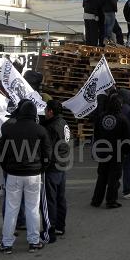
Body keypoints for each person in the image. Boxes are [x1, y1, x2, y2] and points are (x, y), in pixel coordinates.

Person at [0, 101, 52, 254]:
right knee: (33, 209)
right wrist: (41, 168)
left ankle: (7, 243)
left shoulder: (10, 129)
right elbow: (47, 154)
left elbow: (1, 153)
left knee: (11, 209)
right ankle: (34, 242)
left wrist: (7, 168)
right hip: (34, 174)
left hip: (14, 174)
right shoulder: (40, 130)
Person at [91, 94, 130, 208]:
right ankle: (111, 200)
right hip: (117, 152)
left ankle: (96, 200)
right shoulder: (122, 119)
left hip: (103, 150)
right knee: (114, 177)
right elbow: (127, 137)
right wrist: (126, 151)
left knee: (102, 175)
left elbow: (96, 133)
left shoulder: (101, 117)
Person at [42, 100, 71, 243]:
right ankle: (60, 225)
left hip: (53, 166)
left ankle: (50, 228)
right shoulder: (64, 123)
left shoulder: (52, 126)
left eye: (46, 110)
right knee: (60, 197)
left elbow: (47, 148)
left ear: (51, 111)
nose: (44, 112)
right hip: (62, 164)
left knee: (50, 199)